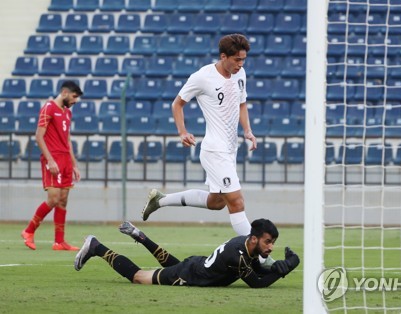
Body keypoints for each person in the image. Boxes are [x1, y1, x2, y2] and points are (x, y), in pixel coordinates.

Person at [142, 34, 257, 240]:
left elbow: (241, 104)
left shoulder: (241, 75)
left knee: (217, 202)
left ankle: (160, 200)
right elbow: (177, 103)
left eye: (243, 60)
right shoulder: (202, 77)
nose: (241, 64)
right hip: (214, 151)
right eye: (237, 60)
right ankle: (259, 257)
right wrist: (182, 132)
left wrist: (247, 130)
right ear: (224, 56)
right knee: (237, 202)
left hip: (230, 150)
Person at [74, 219, 300, 288]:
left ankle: (141, 237)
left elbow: (259, 269)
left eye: (273, 243)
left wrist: (280, 265)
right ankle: (96, 247)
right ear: (254, 239)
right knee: (139, 277)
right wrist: (283, 269)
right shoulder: (239, 255)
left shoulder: (244, 245)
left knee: (171, 264)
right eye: (268, 242)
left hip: (196, 265)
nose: (271, 247)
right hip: (189, 275)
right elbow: (257, 283)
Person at [21, 81, 83, 251]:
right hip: (53, 159)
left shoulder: (67, 113)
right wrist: (49, 160)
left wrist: (74, 164)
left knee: (63, 201)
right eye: (74, 96)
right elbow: (39, 136)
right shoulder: (48, 108)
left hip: (65, 160)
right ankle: (28, 231)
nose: (75, 100)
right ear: (64, 92)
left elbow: (67, 140)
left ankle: (59, 242)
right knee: (54, 199)